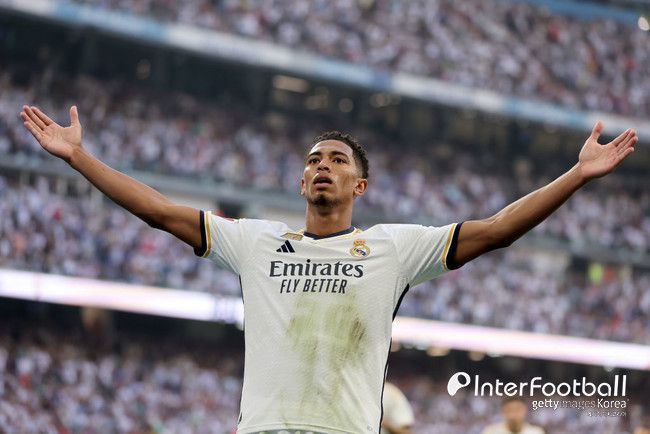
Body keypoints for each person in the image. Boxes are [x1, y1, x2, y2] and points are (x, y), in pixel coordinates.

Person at [20, 105, 637, 434]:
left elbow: (497, 230)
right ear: (301, 181)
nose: (322, 165)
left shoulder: (393, 248)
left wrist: (577, 175)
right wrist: (79, 158)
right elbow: (160, 212)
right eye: (314, 159)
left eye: (338, 160)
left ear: (359, 185)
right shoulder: (256, 242)